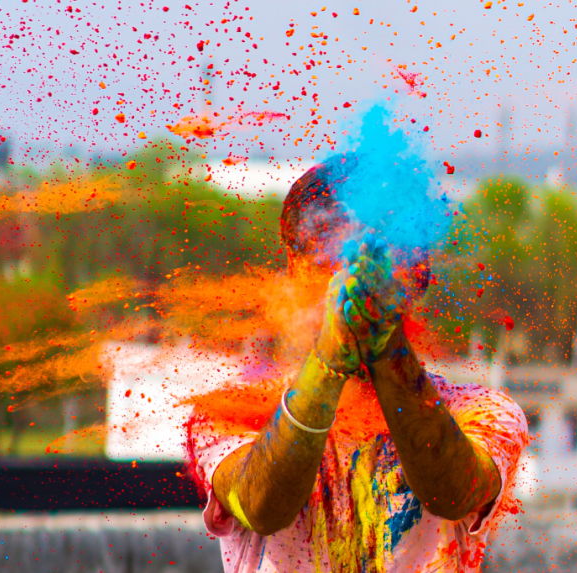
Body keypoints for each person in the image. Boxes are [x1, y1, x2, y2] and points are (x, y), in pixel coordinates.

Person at [189, 156, 528, 572]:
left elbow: (454, 493)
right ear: (293, 270)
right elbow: (262, 507)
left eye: (375, 265)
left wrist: (384, 339)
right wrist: (330, 357)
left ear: (418, 277)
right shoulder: (233, 414)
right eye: (325, 261)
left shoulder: (481, 411)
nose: (345, 284)